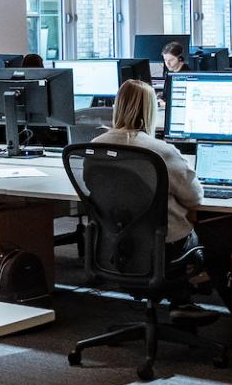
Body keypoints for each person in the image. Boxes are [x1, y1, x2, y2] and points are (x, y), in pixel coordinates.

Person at [91, 80, 221, 316]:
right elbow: (195, 198)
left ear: (116, 106)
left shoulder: (94, 147)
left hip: (117, 245)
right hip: (164, 248)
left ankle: (182, 300)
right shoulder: (161, 151)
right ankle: (188, 299)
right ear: (152, 110)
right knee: (218, 233)